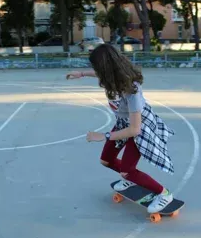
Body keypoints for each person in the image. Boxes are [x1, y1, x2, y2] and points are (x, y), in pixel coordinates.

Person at [66, 44, 175, 213]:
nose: (95, 71)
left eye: (97, 68)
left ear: (106, 68)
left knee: (127, 171)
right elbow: (99, 75)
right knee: (106, 160)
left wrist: (104, 135)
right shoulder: (111, 78)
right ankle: (131, 178)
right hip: (124, 123)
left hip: (139, 128)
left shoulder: (131, 90)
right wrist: (81, 74)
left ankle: (164, 194)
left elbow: (135, 130)